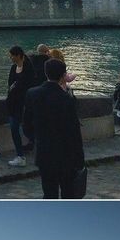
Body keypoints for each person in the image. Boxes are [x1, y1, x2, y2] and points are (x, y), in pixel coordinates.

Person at [23, 58, 85, 199]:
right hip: (66, 155)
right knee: (68, 194)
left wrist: (38, 139)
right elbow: (74, 132)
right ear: (63, 76)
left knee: (49, 193)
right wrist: (79, 159)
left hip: (44, 153)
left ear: (46, 73)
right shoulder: (67, 99)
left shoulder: (32, 94)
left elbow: (26, 124)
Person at [6, 45, 36, 167]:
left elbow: (29, 85)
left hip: (25, 104)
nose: (11, 58)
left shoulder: (29, 69)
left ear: (18, 55)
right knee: (14, 128)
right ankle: (20, 155)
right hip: (13, 104)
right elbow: (10, 84)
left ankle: (32, 143)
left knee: (25, 128)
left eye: (12, 55)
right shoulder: (14, 68)